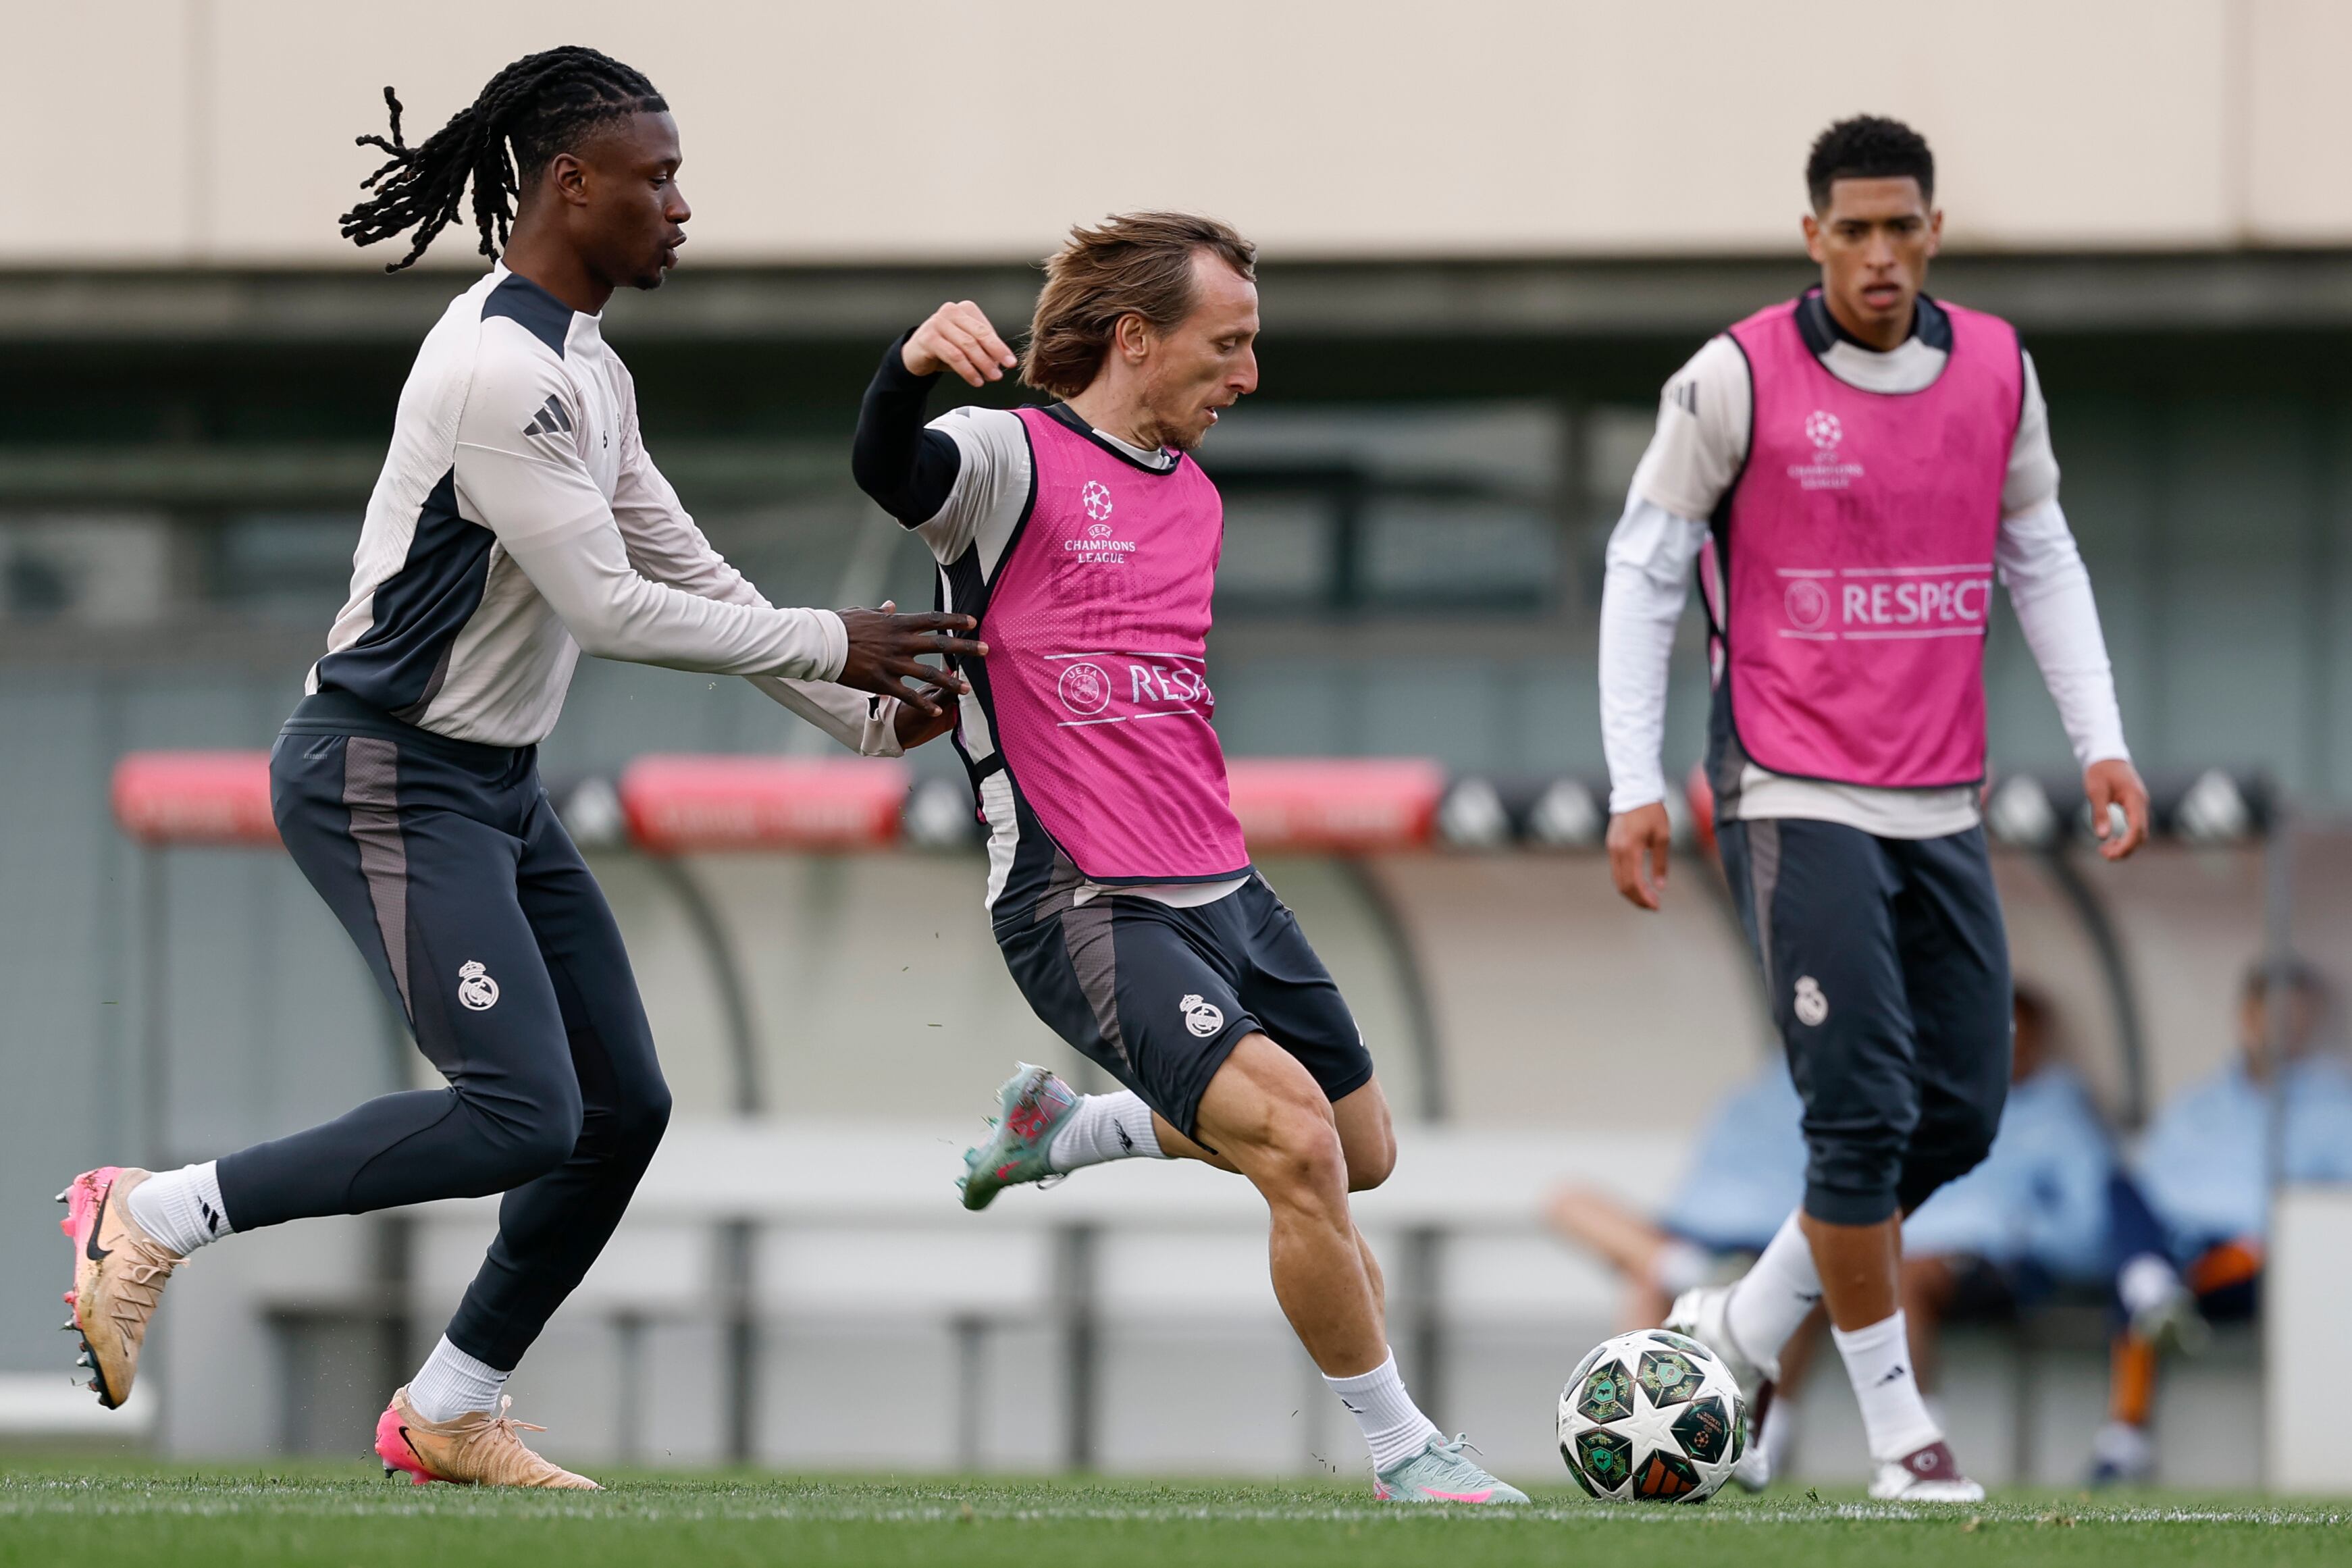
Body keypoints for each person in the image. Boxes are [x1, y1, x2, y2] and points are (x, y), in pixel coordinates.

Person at [55, 47, 979, 1488]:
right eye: (657, 178)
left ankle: (448, 1405)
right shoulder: (500, 369)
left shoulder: (583, 364)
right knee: (521, 1112)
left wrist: (855, 711)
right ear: (572, 185)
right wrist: (829, 637)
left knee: (622, 1112)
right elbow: (610, 610)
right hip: (382, 770)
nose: (681, 206)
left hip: (486, 786)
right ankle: (157, 1212)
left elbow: (681, 564)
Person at [849, 213, 1524, 1505]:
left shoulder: (1198, 500)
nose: (1248, 375)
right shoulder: (1007, 456)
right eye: (1230, 345)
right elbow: (890, 464)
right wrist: (911, 365)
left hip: (1226, 883)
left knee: (1360, 1147)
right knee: (1294, 1146)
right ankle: (1405, 1454)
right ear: (1135, 339)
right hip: (1080, 896)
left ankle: (1072, 1129)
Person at [1597, 115, 2150, 1501]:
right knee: (1854, 1119)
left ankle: (1739, 1323)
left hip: (1938, 797)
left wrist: (2102, 742)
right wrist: (1631, 780)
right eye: (1853, 230)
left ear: (1933, 232)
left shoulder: (1998, 372)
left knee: (1955, 1116)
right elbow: (1641, 569)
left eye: (1902, 226)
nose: (1880, 253)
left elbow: (2042, 552)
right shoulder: (1733, 376)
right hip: (1787, 787)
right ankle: (1904, 1440)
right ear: (1812, 240)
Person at [2088, 960, 2352, 1485]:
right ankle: (2156, 1289)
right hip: (2182, 1248)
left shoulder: (2335, 1106)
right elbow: (2149, 1188)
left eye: (2295, 1017)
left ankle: (2127, 1432)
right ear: (2247, 1017)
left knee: (2170, 1285)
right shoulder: (2199, 1103)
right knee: (2120, 1189)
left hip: (2265, 1267)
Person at [1545, 1056, 1825, 1488]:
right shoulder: (1749, 1096)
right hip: (1692, 1239)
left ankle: (1759, 1432)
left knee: (1811, 1270)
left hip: (1770, 1245)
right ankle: (1694, 1281)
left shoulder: (1837, 1090)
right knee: (1569, 1202)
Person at [1896, 987, 2114, 1399]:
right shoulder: (1939, 1106)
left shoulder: (2061, 1115)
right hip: (1915, 1246)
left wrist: (2011, 1230)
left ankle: (1917, 1443)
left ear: (2038, 1041)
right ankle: (1764, 1430)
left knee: (1907, 1280)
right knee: (1808, 1276)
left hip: (2006, 1265)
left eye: (2014, 1034)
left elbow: (2092, 1230)